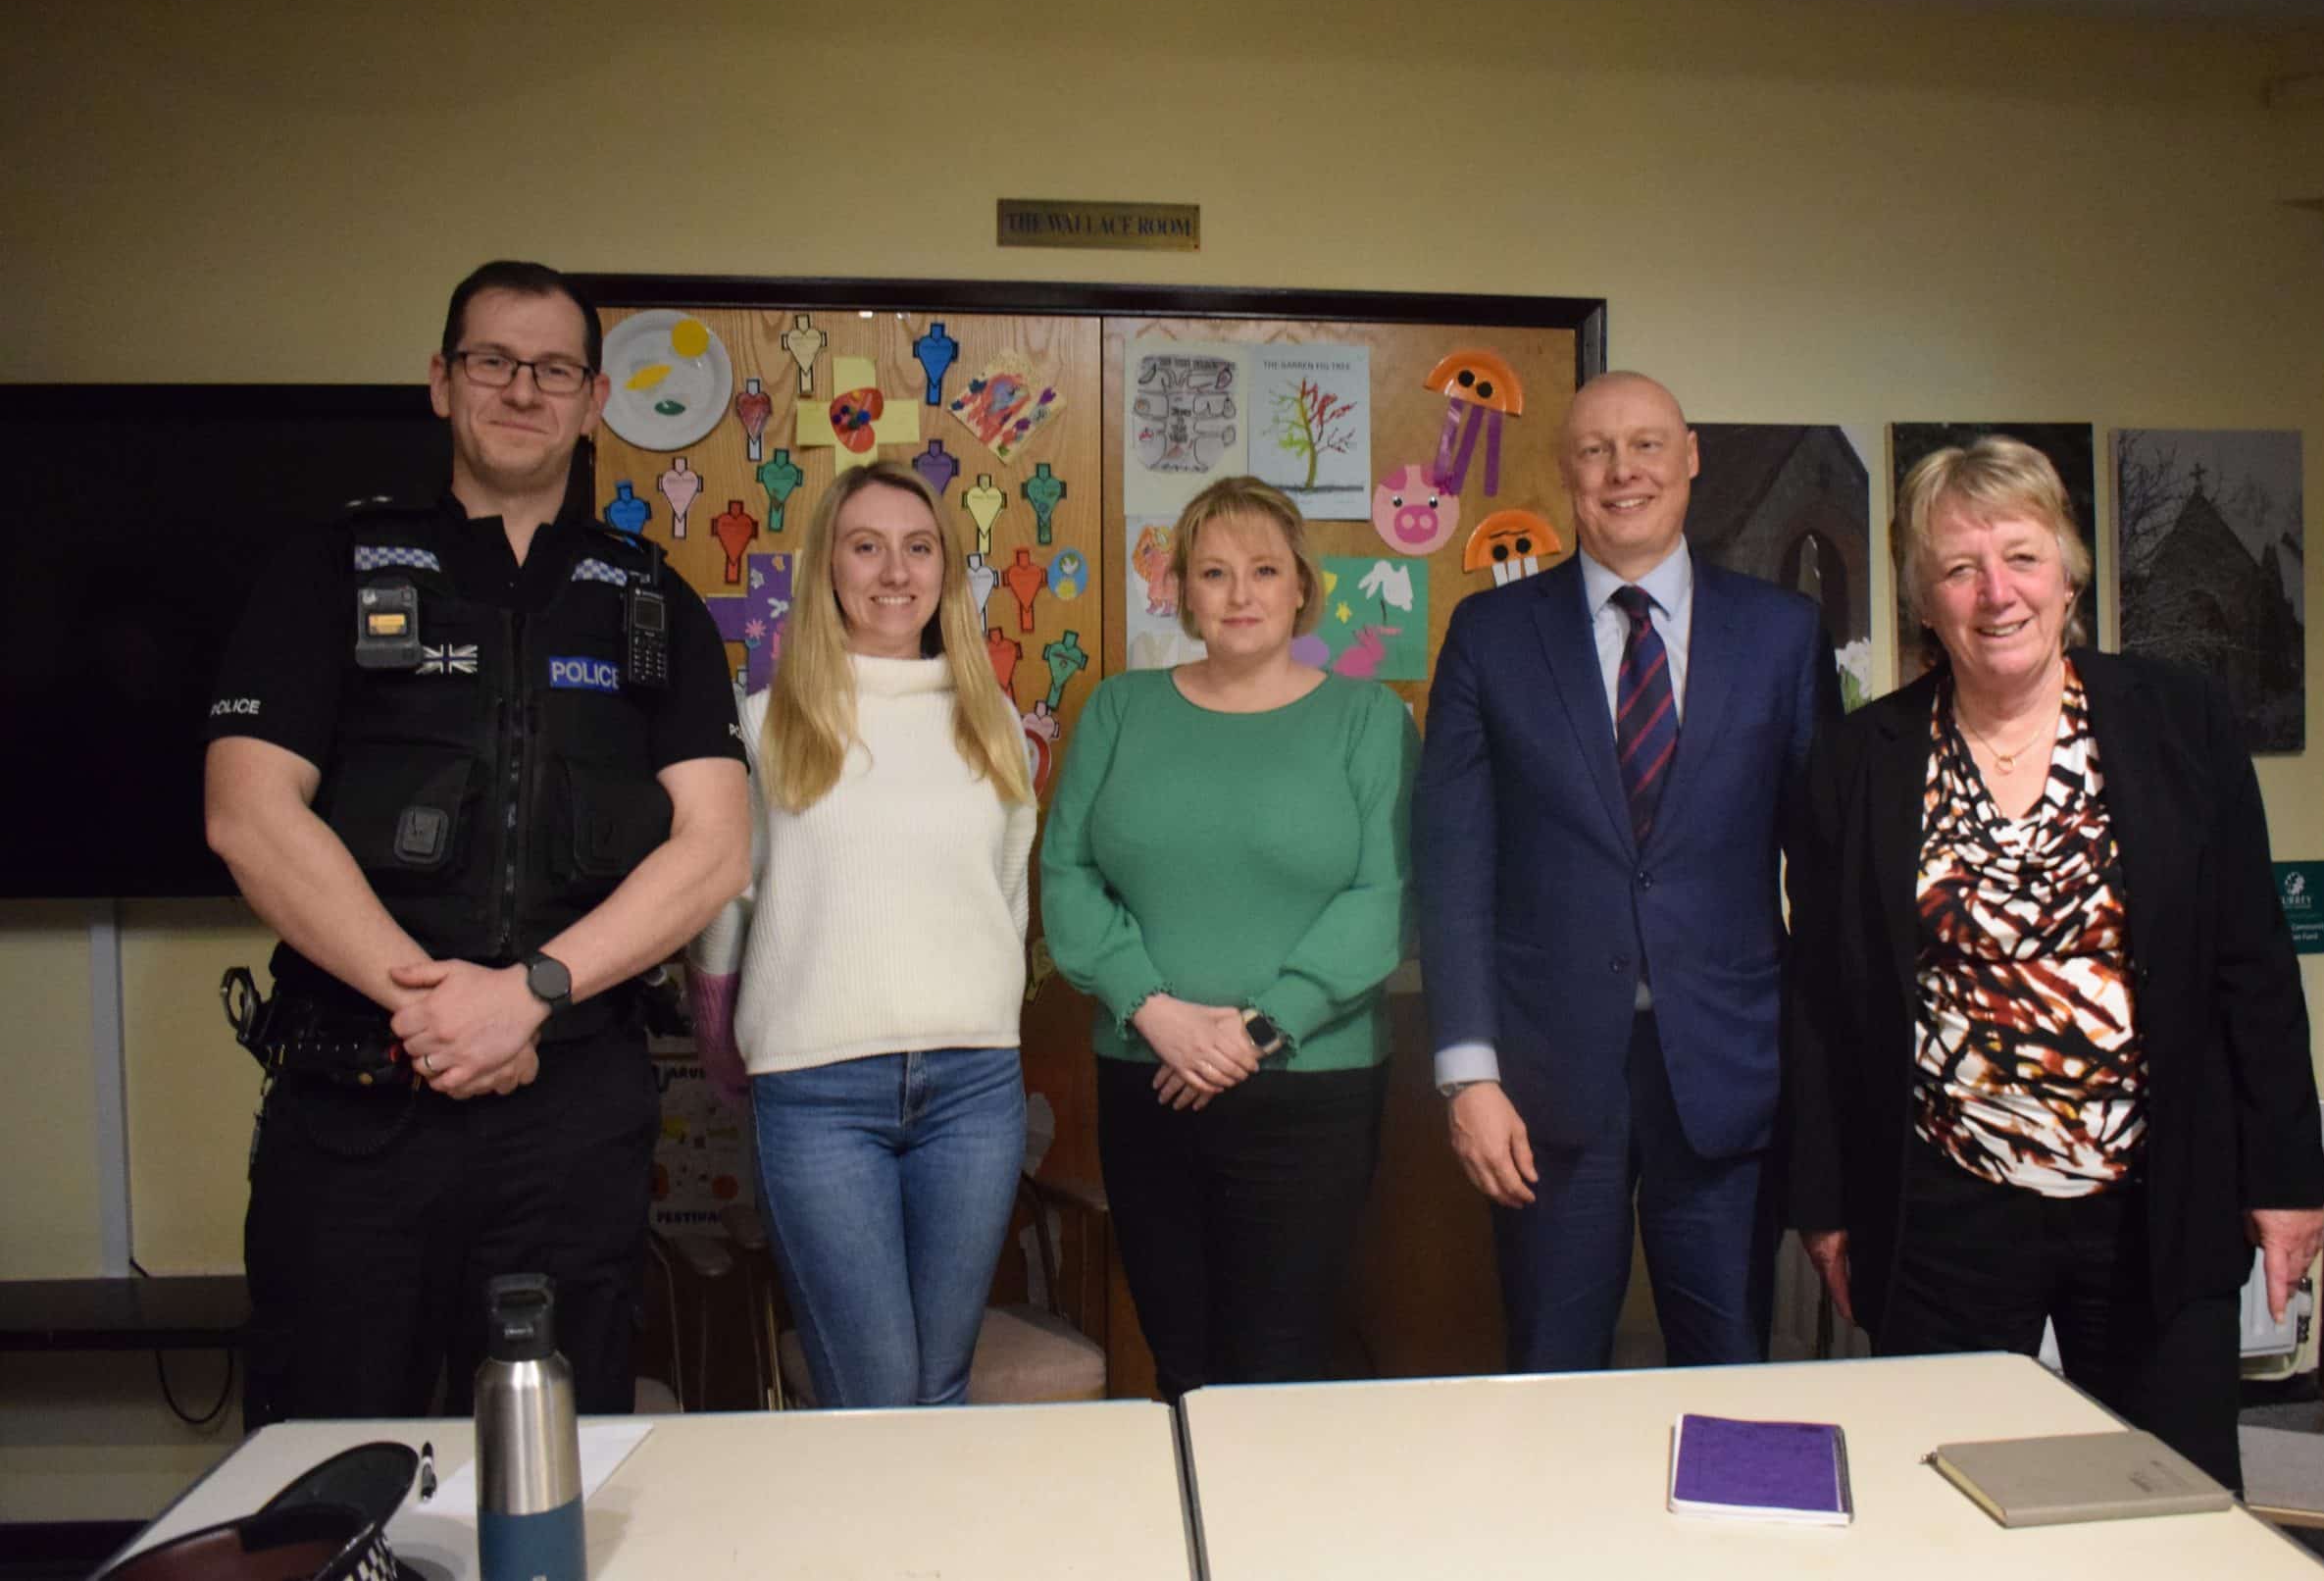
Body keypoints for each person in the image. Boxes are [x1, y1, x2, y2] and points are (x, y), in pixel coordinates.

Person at [203, 260, 751, 1424]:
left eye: (553, 369)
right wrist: (439, 1010)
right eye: (492, 360)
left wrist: (532, 995)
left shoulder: (653, 602)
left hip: (569, 1114)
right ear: (442, 382)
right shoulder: (329, 572)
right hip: (357, 1099)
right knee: (327, 1460)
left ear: (594, 400)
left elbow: (714, 850)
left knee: (552, 1452)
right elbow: (249, 812)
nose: (522, 389)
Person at [1786, 437, 2324, 1491]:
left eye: (2022, 557)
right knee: (1936, 1499)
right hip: (1944, 1208)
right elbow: (1821, 999)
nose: (1996, 593)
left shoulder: (2179, 721)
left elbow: (2251, 964)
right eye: (1958, 568)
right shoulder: (1861, 760)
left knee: (2168, 1507)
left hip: (2150, 1203)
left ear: (2069, 575)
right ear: (1924, 602)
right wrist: (1825, 1200)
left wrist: (2286, 1179)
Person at [1415, 370, 1839, 1372]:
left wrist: (1824, 1086)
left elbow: (1824, 876)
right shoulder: (1491, 636)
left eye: (1646, 445)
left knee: (1729, 1362)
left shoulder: (1782, 637)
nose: (1622, 472)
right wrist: (1467, 1075)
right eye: (1596, 451)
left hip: (1729, 1075)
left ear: (1689, 457)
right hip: (1544, 1083)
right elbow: (1453, 865)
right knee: (1551, 1368)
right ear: (1566, 472)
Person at [1042, 475, 1416, 1402]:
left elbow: (1388, 897)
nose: (1240, 593)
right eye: (1213, 572)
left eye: (1263, 570)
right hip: (1149, 1078)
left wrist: (1252, 1032)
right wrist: (1154, 1012)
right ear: (1179, 591)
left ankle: (1269, 1550)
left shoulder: (1370, 720)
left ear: (1301, 589)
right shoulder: (1121, 709)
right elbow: (1065, 873)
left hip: (1312, 1093)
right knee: (1182, 1360)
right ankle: (1196, 1547)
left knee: (1279, 1371)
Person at [684, 461, 1036, 1408]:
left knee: (942, 1382)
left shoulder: (989, 720)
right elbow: (726, 901)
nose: (894, 571)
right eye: (866, 546)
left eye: (918, 548)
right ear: (826, 569)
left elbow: (1007, 896)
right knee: (876, 1394)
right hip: (817, 1090)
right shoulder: (766, 723)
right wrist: (723, 1037)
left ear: (945, 572)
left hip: (974, 1086)